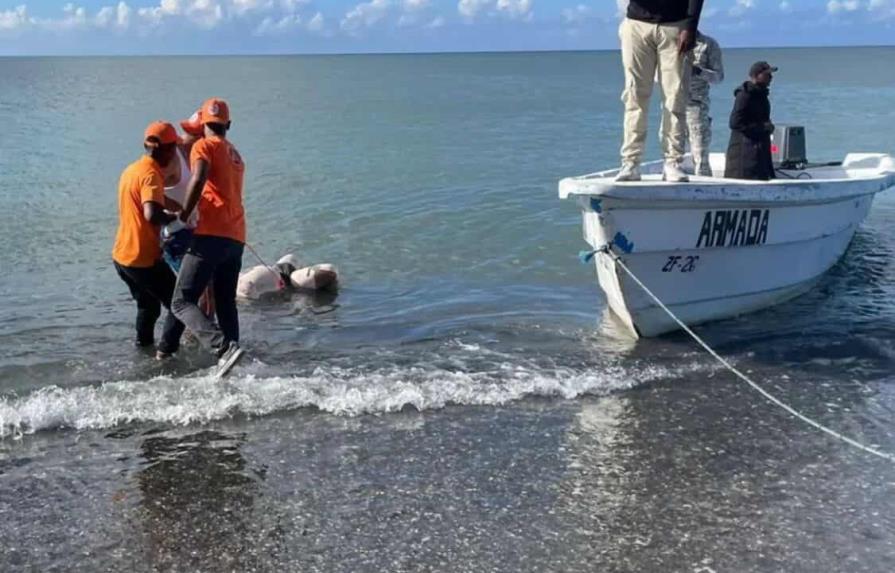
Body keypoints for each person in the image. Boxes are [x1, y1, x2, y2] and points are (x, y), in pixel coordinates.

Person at [171, 98, 247, 374]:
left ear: (203, 124)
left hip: (211, 235)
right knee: (226, 301)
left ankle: (223, 349)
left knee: (181, 301)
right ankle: (234, 357)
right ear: (228, 124)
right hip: (236, 235)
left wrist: (182, 216)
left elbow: (199, 176)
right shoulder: (235, 153)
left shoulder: (203, 146)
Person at [112, 122, 185, 358]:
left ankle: (142, 349)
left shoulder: (132, 170)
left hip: (122, 257)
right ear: (168, 150)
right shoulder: (151, 174)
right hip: (142, 258)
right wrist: (176, 219)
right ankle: (165, 352)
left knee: (148, 306)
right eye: (175, 149)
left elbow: (155, 199)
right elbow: (152, 214)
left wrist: (184, 208)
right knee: (181, 304)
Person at [616, 0, 706, 183]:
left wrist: (690, 25)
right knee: (635, 96)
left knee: (675, 97)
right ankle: (631, 163)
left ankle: (673, 162)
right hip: (636, 24)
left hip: (676, 25)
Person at [724, 61, 777, 181]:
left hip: (759, 150)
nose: (771, 78)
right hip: (745, 154)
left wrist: (767, 127)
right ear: (757, 75)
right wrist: (763, 127)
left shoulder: (761, 94)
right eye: (767, 74)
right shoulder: (745, 95)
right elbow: (735, 123)